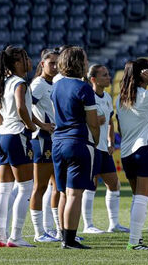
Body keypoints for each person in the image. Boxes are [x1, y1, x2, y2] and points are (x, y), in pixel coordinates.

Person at [51, 46, 101, 250]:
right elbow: (93, 122)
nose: (87, 63)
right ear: (79, 63)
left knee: (63, 192)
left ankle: (63, 237)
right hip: (77, 141)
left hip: (58, 142)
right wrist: (95, 140)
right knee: (75, 194)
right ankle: (70, 240)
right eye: (85, 60)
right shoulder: (84, 88)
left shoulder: (56, 85)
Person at [0, 47, 37, 248]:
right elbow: (21, 108)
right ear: (17, 62)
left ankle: (0, 236)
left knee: (4, 189)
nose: (29, 60)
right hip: (16, 136)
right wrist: (30, 126)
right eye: (25, 58)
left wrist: (4, 124)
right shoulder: (19, 82)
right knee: (25, 187)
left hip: (1, 137)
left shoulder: (3, 82)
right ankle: (15, 237)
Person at [117, 59, 148, 250]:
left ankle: (136, 238)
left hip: (127, 153)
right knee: (142, 198)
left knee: (137, 197)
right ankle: (134, 241)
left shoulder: (119, 98)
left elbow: (120, 128)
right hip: (145, 149)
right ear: (144, 74)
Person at [81, 64, 128, 234]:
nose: (108, 78)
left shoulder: (107, 97)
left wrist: (110, 141)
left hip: (103, 148)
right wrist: (93, 121)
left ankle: (114, 224)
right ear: (93, 79)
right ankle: (88, 225)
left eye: (108, 74)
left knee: (114, 183)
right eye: (104, 75)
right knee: (90, 185)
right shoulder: (87, 96)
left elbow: (109, 121)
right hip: (91, 146)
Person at [29, 48, 60, 242]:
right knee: (39, 187)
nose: (55, 67)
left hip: (55, 139)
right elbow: (22, 107)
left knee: (58, 187)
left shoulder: (53, 84)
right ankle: (39, 233)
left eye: (58, 63)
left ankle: (60, 231)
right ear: (42, 64)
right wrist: (41, 125)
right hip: (42, 139)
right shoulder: (39, 84)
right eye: (51, 63)